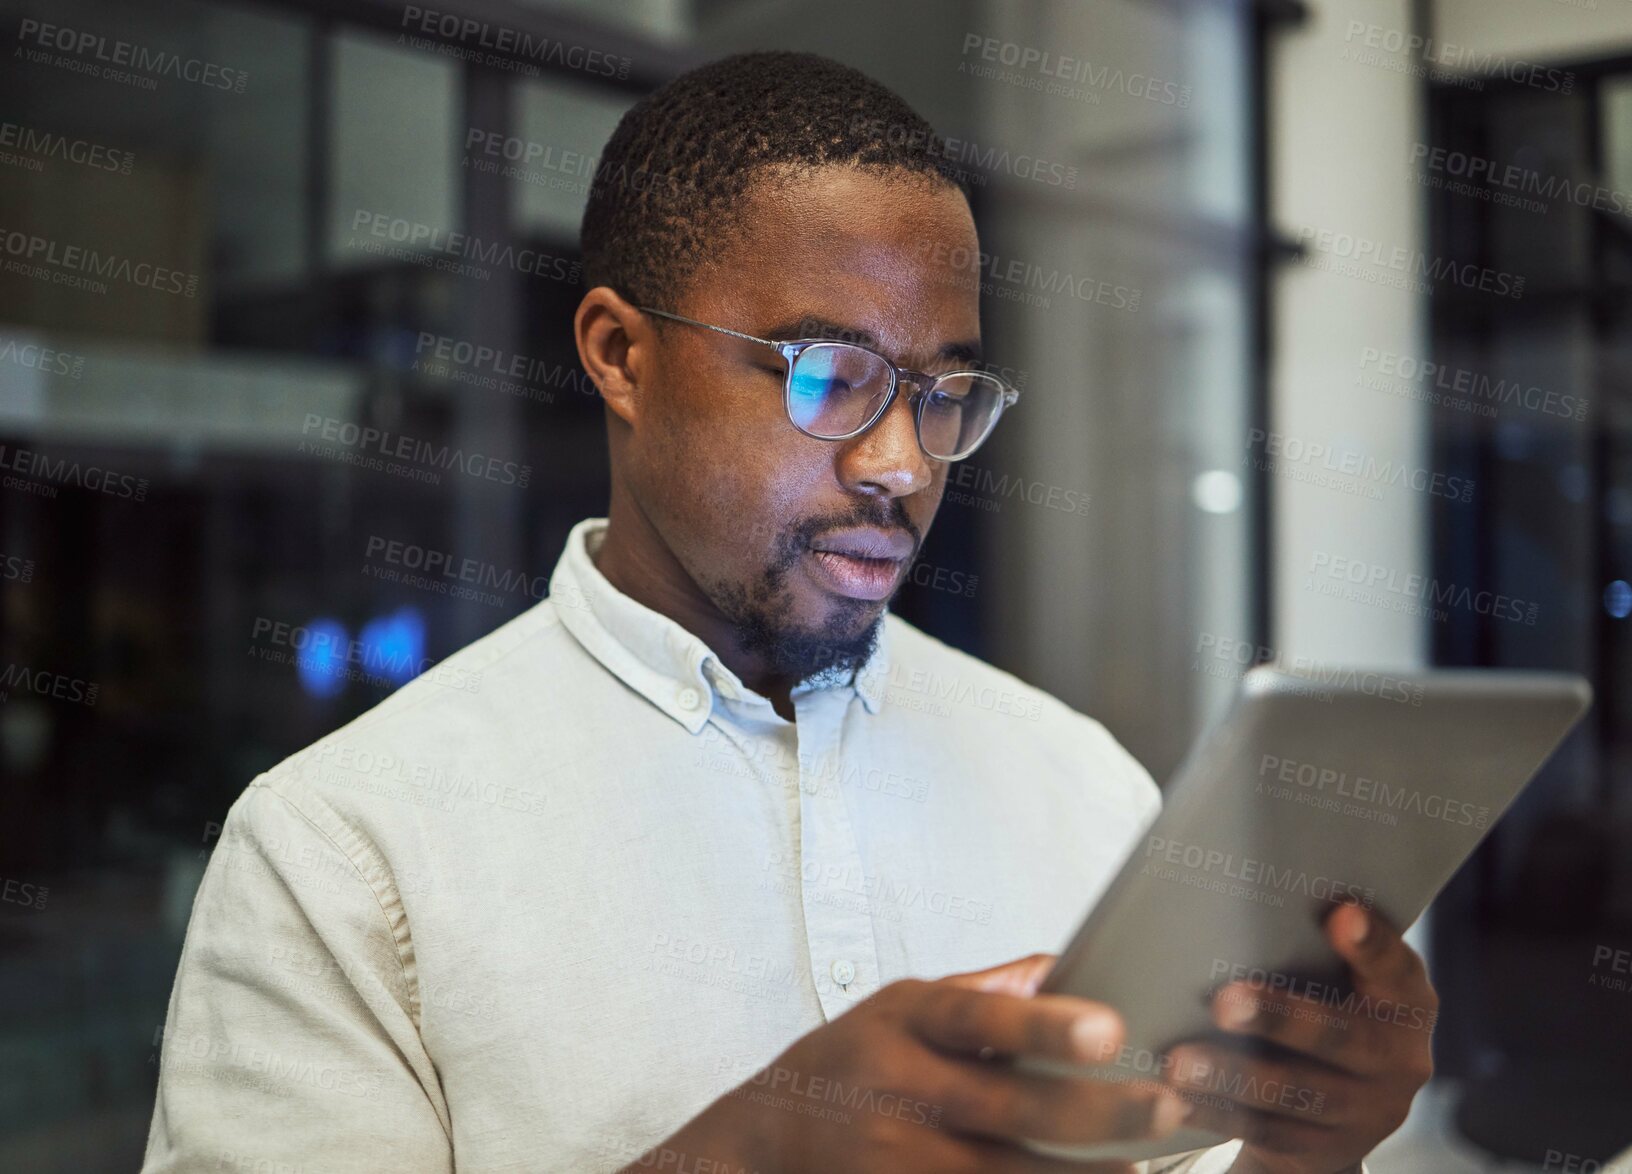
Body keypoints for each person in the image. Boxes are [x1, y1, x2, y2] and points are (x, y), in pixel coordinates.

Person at [142, 50, 1432, 1173]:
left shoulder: (1078, 781)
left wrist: (1294, 1152)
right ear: (621, 355)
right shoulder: (340, 854)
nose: (901, 465)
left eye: (941, 393)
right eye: (829, 376)